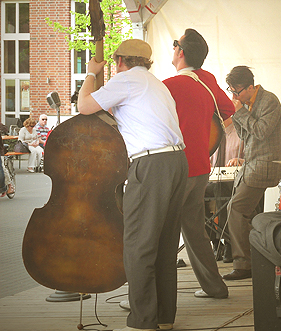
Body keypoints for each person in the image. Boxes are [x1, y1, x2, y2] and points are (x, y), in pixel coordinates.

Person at [77, 39, 188, 331]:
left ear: (120, 60)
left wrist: (91, 73)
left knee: (138, 245)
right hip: (177, 162)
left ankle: (142, 322)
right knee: (164, 245)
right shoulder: (155, 83)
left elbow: (84, 105)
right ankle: (163, 317)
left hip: (151, 165)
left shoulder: (126, 80)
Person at [162, 28, 234, 299]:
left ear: (180, 52)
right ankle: (215, 288)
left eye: (174, 45)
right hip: (201, 165)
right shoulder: (207, 79)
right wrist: (207, 137)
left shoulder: (169, 85)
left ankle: (152, 297)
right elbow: (229, 111)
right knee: (194, 230)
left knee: (162, 231)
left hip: (177, 167)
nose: (173, 49)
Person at [222, 66, 281, 281]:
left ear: (251, 86)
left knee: (237, 209)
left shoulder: (269, 101)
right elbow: (243, 134)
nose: (234, 96)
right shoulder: (247, 103)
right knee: (246, 212)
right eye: (231, 91)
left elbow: (260, 132)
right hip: (252, 164)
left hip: (265, 164)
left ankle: (244, 264)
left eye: (237, 91)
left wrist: (240, 112)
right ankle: (259, 255)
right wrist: (237, 113)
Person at [206, 117, 244, 263]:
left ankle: (228, 241)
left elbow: (252, 158)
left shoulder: (241, 131)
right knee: (194, 195)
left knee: (222, 191)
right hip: (213, 180)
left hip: (234, 182)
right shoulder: (211, 132)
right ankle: (214, 241)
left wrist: (241, 161)